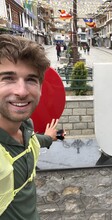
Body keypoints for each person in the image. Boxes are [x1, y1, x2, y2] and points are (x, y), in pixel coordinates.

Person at [0, 34, 59, 219]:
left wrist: (49, 138)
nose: (22, 92)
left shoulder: (26, 127)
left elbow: (32, 140)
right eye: (8, 78)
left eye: (31, 80)